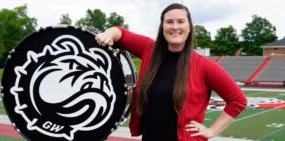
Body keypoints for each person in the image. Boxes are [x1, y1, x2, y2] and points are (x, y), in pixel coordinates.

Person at [95, 3, 247, 141]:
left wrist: (212, 131)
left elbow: (238, 100)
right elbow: (120, 32)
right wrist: (108, 35)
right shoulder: (149, 49)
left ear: (189, 27)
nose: (175, 26)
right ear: (162, 27)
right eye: (169, 22)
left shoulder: (204, 65)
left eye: (180, 21)